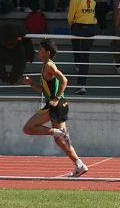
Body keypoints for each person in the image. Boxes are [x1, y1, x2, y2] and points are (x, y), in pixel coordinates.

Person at [23, 39, 88, 178]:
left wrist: (56, 99)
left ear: (47, 52)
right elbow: (46, 90)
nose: (38, 52)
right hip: (60, 105)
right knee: (61, 140)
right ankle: (79, 165)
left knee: (28, 128)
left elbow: (64, 80)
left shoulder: (49, 66)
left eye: (40, 49)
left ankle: (56, 131)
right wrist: (31, 84)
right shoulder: (47, 66)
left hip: (55, 105)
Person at [67, 0, 98, 95]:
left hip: (79, 27)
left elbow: (70, 16)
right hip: (92, 29)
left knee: (75, 42)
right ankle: (82, 86)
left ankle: (76, 62)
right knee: (85, 56)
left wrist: (72, 27)